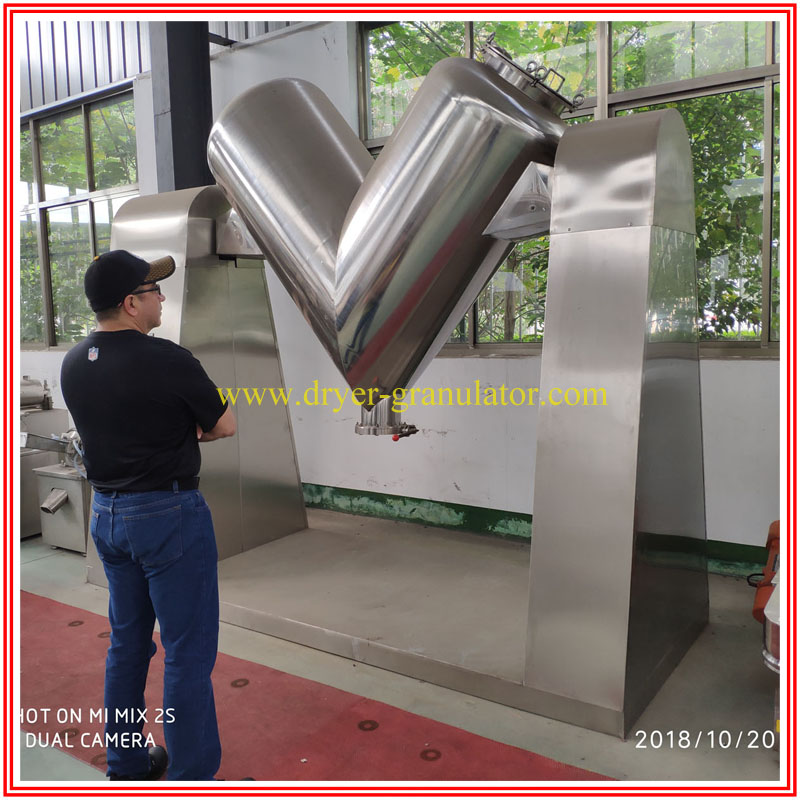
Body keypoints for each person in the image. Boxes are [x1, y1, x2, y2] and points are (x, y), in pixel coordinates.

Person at [60, 250, 236, 781]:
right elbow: (224, 424)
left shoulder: (73, 362)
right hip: (168, 516)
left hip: (107, 517)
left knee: (128, 645)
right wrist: (187, 430)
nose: (162, 297)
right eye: (154, 290)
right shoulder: (168, 359)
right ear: (131, 303)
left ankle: (128, 764)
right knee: (186, 653)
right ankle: (190, 777)